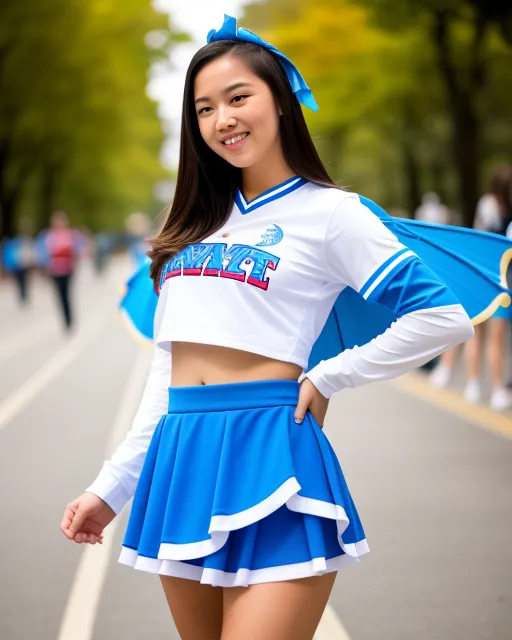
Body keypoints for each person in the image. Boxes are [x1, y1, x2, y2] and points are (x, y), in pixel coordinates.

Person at [60, 16, 475, 640]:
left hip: (274, 451)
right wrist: (111, 486)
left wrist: (333, 374)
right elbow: (168, 373)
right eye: (204, 108)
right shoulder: (189, 231)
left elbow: (442, 316)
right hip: (183, 458)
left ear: (280, 102)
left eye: (238, 98)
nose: (222, 118)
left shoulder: (331, 213)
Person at [430, 164, 512, 410]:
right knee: (474, 330)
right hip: (484, 277)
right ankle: (472, 382)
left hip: (504, 280)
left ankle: (497, 388)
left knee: (495, 335)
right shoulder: (489, 207)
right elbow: (480, 241)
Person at [40, 210, 82, 332]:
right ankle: (65, 320)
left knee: (67, 294)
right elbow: (43, 253)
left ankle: (70, 318)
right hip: (55, 270)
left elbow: (77, 250)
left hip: (68, 269)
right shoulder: (49, 236)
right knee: (59, 296)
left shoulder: (70, 235)